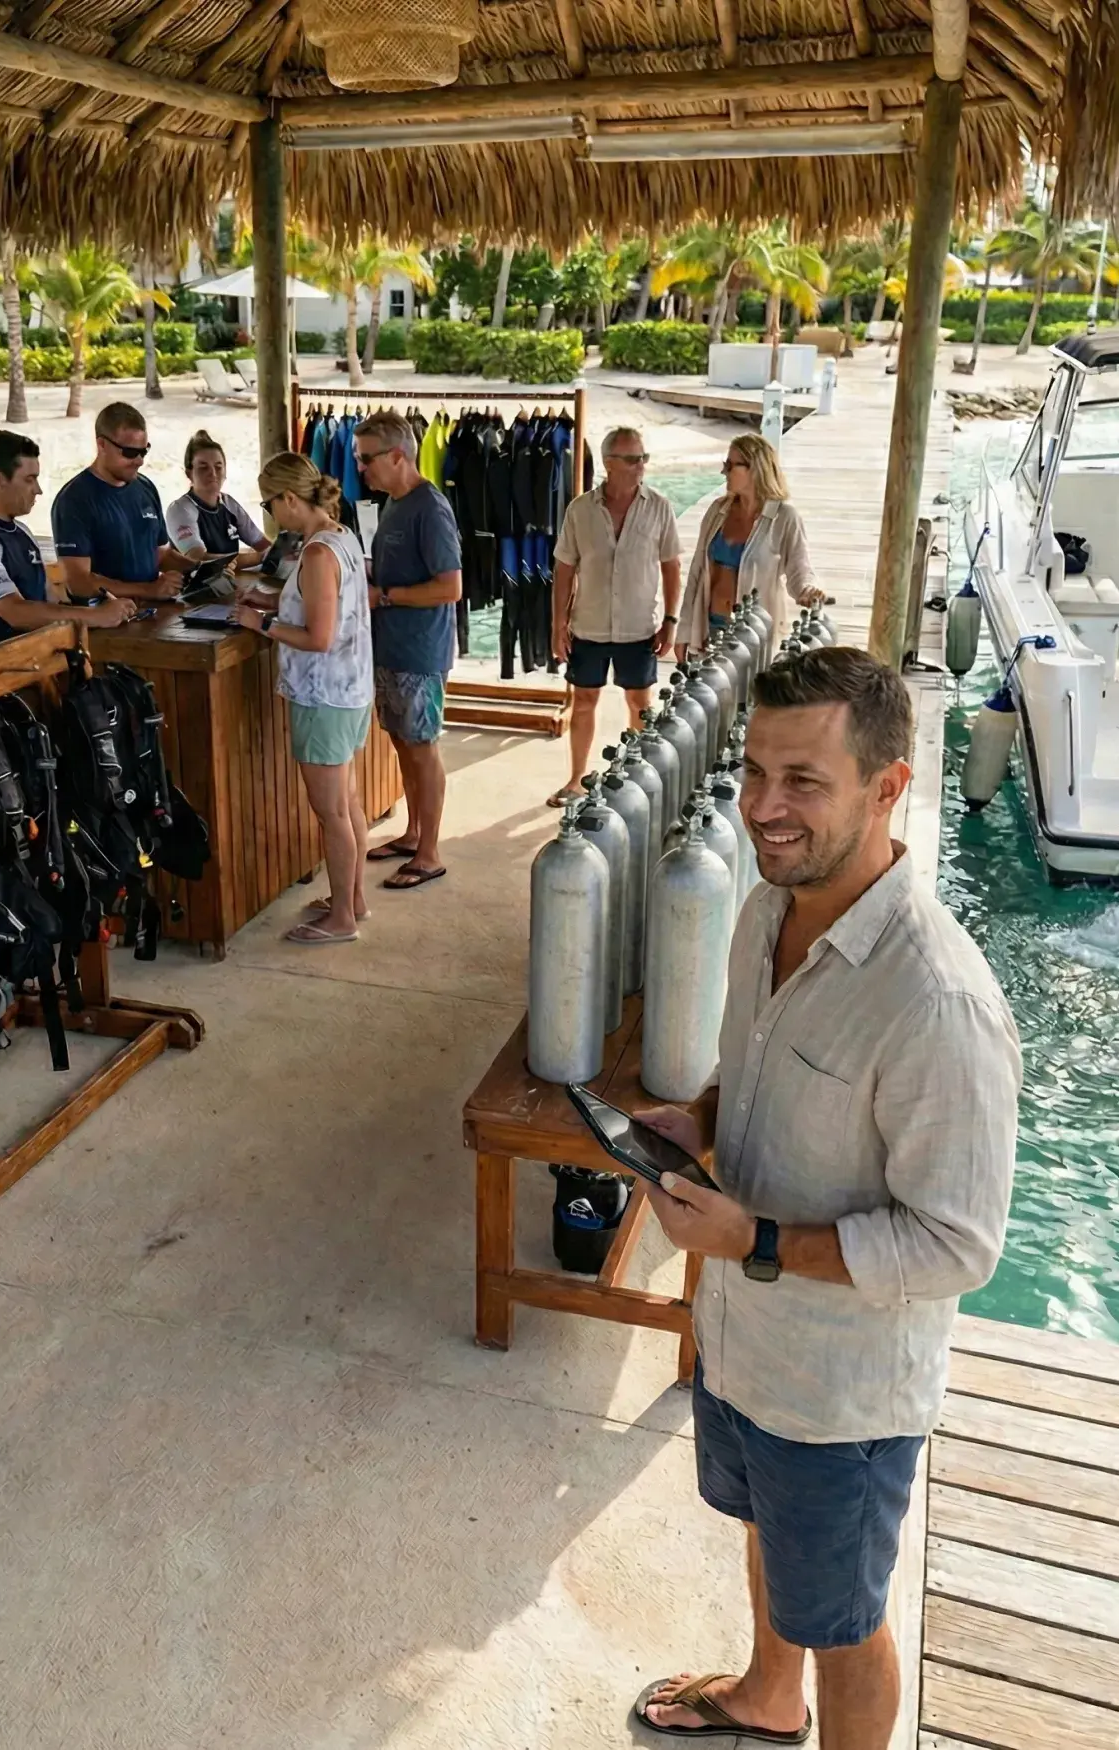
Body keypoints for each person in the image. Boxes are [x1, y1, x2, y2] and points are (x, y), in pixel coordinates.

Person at [631, 647, 1020, 1750]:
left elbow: (957, 1244)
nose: (762, 807)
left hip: (841, 1398)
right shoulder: (768, 904)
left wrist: (749, 1237)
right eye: (753, 772)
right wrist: (697, 1120)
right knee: (767, 1537)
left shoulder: (935, 1000)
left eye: (802, 780)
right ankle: (765, 1694)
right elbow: (755, 1069)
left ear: (887, 787)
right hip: (747, 1340)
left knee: (845, 1619)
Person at [234, 453, 373, 946]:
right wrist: (273, 602)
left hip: (322, 695)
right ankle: (350, 899)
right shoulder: (340, 537)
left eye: (270, 503)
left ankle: (342, 920)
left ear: (289, 498)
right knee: (347, 801)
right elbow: (325, 603)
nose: (271, 514)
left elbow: (318, 636)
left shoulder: (315, 553)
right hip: (351, 690)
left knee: (331, 812)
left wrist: (262, 623)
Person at [354, 409, 463, 892]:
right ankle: (413, 832)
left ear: (398, 457)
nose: (360, 468)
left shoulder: (430, 508)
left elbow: (450, 588)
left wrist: (385, 597)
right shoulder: (394, 503)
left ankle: (430, 852)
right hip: (391, 648)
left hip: (420, 652)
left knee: (422, 750)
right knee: (402, 744)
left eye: (367, 459)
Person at [548, 425, 682, 807]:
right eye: (633, 458)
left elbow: (671, 566)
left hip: (639, 625)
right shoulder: (580, 510)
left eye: (644, 458)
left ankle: (636, 779)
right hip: (587, 623)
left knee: (640, 702)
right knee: (584, 699)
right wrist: (558, 623)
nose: (641, 465)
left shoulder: (659, 507)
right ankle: (576, 780)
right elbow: (563, 570)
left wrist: (671, 620)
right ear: (608, 463)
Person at [0, 428, 135, 654]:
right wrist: (94, 616)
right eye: (29, 480)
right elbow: (15, 612)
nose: (38, 490)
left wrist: (99, 607)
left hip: (37, 661)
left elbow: (50, 603)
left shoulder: (21, 532)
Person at [680, 433, 823, 658]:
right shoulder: (718, 511)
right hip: (710, 629)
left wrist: (807, 590)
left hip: (753, 636)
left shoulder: (784, 517)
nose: (724, 471)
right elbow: (697, 573)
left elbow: (799, 568)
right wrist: (684, 632)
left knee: (750, 693)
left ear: (755, 469)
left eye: (731, 465)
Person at [50, 401, 189, 603]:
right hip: (106, 622)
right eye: (130, 452)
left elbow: (160, 555)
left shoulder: (146, 487)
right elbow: (79, 582)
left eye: (144, 451)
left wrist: (203, 569)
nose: (140, 461)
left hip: (153, 614)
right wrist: (149, 590)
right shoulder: (73, 500)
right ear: (102, 445)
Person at [164, 429, 272, 571]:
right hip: (191, 589)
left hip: (226, 583)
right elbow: (197, 558)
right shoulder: (180, 509)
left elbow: (262, 543)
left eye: (218, 467)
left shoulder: (229, 504)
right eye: (203, 468)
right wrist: (258, 557)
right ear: (189, 474)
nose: (213, 474)